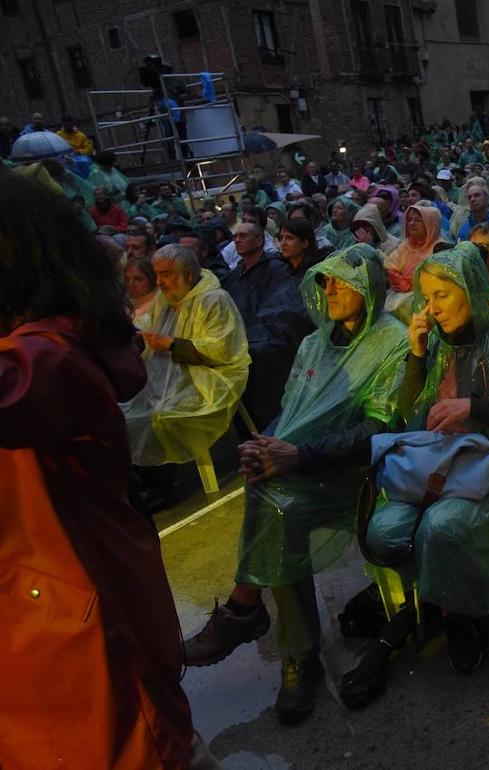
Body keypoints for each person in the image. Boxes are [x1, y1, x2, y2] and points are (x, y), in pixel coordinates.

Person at [0, 169, 214, 768]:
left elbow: (217, 355)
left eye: (169, 274)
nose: (162, 281)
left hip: (84, 652)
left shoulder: (47, 360)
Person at [182, 244, 411, 723]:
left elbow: (379, 428)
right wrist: (267, 443)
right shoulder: (315, 342)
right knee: (268, 491)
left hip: (363, 471)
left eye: (340, 282)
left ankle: (268, 628)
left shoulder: (392, 341)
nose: (328, 289)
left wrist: (297, 454)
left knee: (273, 500)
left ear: (368, 288)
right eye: (324, 281)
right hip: (306, 465)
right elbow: (294, 410)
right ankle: (288, 644)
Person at [354, 242, 489, 687]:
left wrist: (473, 405)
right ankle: (452, 597)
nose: (432, 308)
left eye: (444, 295)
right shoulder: (433, 341)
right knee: (382, 534)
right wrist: (416, 354)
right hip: (433, 460)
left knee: (440, 528)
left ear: (471, 289)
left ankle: (463, 612)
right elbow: (406, 415)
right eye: (427, 296)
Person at [121, 245, 250, 472]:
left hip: (209, 377)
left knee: (161, 414)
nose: (159, 282)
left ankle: (169, 478)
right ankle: (157, 481)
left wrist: (171, 344)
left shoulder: (214, 299)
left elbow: (222, 350)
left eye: (166, 274)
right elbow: (152, 329)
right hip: (168, 378)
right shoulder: (166, 299)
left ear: (188, 275)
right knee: (127, 411)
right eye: (157, 274)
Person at [222, 223, 314, 430]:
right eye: (235, 236)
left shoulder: (277, 269)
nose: (237, 240)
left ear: (259, 240)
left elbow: (278, 311)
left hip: (263, 342)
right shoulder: (236, 273)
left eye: (244, 235)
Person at [384, 203, 444, 321]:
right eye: (410, 220)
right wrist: (402, 281)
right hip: (398, 294)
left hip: (428, 301)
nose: (412, 223)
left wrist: (410, 282)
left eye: (417, 220)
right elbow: (390, 266)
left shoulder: (440, 248)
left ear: (430, 224)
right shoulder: (406, 245)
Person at [125, 255, 158, 327]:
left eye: (138, 279)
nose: (131, 284)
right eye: (127, 279)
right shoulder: (123, 304)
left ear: (152, 279)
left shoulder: (159, 307)